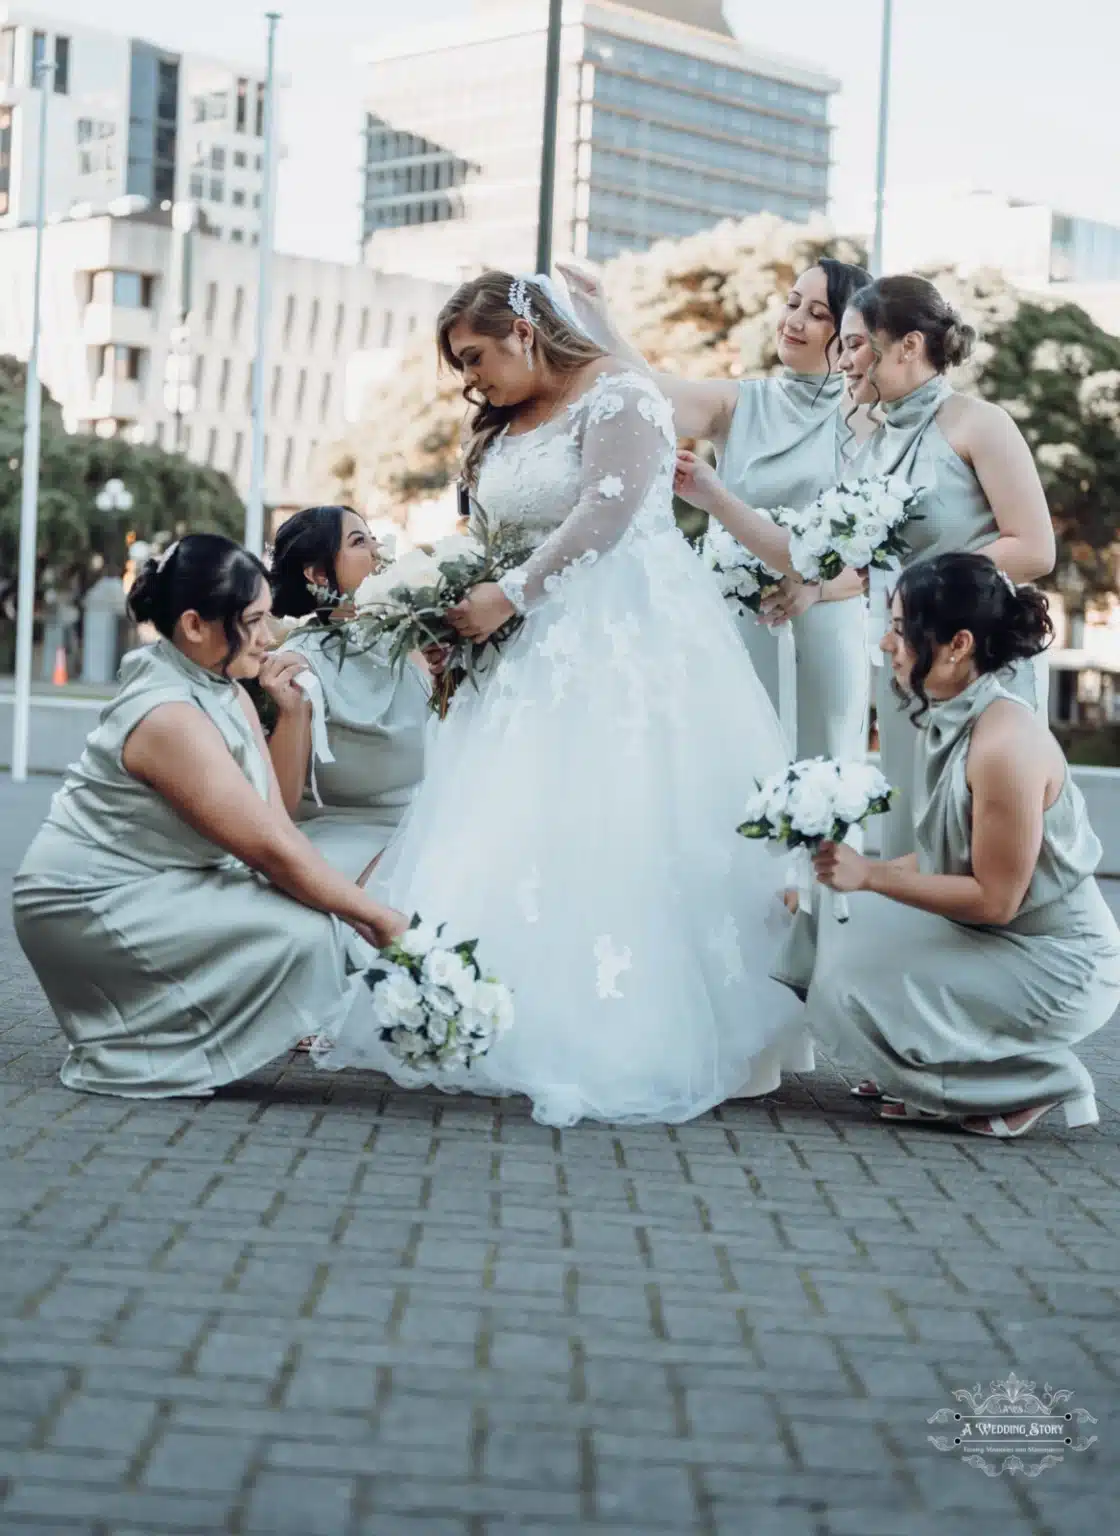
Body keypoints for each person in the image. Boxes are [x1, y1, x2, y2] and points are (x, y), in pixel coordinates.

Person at [313, 270, 806, 1127]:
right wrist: (445, 606)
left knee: (616, 822)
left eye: (477, 357)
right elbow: (485, 533)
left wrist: (509, 594)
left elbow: (605, 517)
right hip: (521, 653)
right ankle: (481, 1012)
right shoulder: (506, 423)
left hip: (622, 645)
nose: (473, 380)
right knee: (508, 822)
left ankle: (620, 1033)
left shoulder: (621, 395)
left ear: (524, 331)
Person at [12, 534, 407, 1099]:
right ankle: (142, 1048)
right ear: (195, 625)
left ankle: (174, 1032)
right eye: (254, 620)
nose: (270, 637)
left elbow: (276, 822)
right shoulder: (168, 715)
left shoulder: (226, 688)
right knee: (311, 933)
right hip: (86, 899)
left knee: (321, 923)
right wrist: (381, 920)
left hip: (165, 881)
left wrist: (291, 715)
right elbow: (268, 850)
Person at [802, 554, 1120, 1138]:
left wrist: (870, 877)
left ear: (958, 644)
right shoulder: (961, 716)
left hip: (1056, 967)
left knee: (852, 973)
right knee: (822, 921)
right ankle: (929, 1061)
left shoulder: (1005, 745)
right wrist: (836, 878)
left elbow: (995, 900)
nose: (884, 644)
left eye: (900, 628)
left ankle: (1032, 1082)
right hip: (1001, 940)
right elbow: (944, 852)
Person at [561, 257, 875, 762]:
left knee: (826, 775)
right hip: (736, 624)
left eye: (818, 313)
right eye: (793, 303)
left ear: (851, 331)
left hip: (828, 631)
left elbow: (885, 550)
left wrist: (816, 585)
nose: (794, 320)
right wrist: (598, 315)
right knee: (735, 769)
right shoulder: (739, 402)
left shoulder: (870, 416)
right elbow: (647, 390)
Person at [266, 505, 429, 881]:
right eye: (359, 541)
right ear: (318, 573)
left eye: (373, 538)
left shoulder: (418, 639)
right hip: (340, 839)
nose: (378, 550)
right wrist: (292, 713)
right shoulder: (297, 665)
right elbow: (280, 807)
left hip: (423, 829)